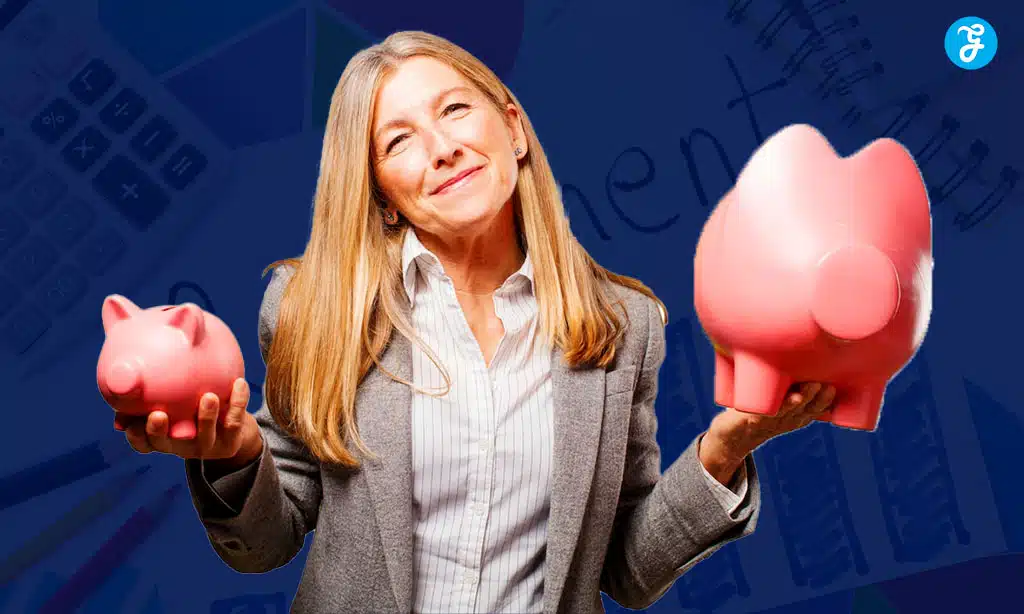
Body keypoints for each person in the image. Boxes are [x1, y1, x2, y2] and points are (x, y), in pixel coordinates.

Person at [110, 30, 837, 614]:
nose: (442, 148)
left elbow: (624, 572)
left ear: (513, 129)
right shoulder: (311, 309)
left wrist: (721, 452)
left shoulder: (626, 326)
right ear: (384, 196)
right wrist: (234, 452)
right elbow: (265, 544)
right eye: (397, 141)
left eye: (455, 110)